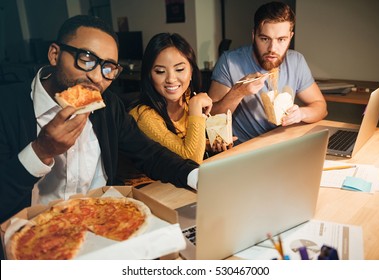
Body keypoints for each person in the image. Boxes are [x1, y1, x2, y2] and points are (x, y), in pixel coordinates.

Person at [0, 15, 199, 225]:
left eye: (108, 68)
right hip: (35, 235)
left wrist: (197, 177)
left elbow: (149, 154)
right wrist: (41, 151)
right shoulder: (7, 107)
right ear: (55, 54)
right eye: (86, 60)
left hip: (103, 225)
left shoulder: (109, 105)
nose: (97, 77)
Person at [208, 1, 327, 144]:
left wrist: (301, 114)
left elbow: (321, 107)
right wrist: (238, 92)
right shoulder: (229, 61)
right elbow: (212, 117)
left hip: (284, 144)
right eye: (265, 39)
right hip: (246, 150)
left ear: (290, 37)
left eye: (281, 39)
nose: (272, 48)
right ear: (254, 35)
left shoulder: (296, 61)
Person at [129, 33, 213, 164]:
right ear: (149, 76)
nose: (171, 79)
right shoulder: (143, 115)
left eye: (179, 69)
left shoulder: (186, 99)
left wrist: (209, 144)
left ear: (191, 72)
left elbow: (179, 146)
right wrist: (195, 106)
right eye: (160, 72)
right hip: (146, 184)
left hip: (177, 182)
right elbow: (191, 161)